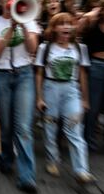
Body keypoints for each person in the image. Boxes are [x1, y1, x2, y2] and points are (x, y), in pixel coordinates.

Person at [0, 0, 40, 194]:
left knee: (23, 128)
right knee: (6, 126)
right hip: (1, 76)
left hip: (24, 74)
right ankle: (6, 157)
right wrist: (12, 29)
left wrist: (24, 24)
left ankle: (27, 177)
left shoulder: (31, 20)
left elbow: (32, 48)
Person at [35, 12, 96, 183]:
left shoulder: (79, 48)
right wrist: (39, 97)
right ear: (54, 28)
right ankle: (52, 160)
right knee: (50, 127)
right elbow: (39, 73)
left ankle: (81, 170)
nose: (66, 27)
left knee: (74, 129)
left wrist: (85, 99)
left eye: (69, 23)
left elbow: (82, 73)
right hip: (50, 88)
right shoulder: (44, 48)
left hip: (71, 90)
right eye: (61, 24)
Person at [80, 0, 104, 155]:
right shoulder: (92, 24)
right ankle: (88, 141)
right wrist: (92, 14)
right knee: (92, 107)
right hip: (96, 66)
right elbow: (80, 29)